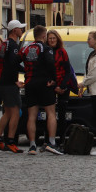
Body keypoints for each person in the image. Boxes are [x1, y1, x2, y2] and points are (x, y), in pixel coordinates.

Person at [21, 25, 59, 155]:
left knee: (31, 116)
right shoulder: (45, 48)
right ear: (44, 36)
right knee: (51, 113)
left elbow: (15, 61)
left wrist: (23, 73)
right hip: (44, 84)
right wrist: (54, 79)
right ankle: (52, 142)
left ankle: (32, 145)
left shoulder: (26, 48)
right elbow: (50, 64)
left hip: (30, 83)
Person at [0, 20, 25, 153]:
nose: (21, 30)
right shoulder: (13, 46)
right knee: (16, 113)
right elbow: (12, 64)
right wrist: (15, 81)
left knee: (7, 113)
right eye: (20, 28)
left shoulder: (5, 44)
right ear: (14, 30)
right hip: (9, 84)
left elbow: (6, 64)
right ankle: (10, 140)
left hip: (2, 82)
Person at [48, 29, 75, 152]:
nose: (52, 40)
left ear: (57, 39)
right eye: (50, 38)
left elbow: (68, 71)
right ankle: (49, 140)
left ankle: (62, 141)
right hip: (50, 87)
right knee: (49, 115)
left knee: (63, 115)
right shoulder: (46, 52)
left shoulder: (62, 52)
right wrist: (54, 87)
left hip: (63, 87)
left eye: (54, 38)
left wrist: (62, 87)